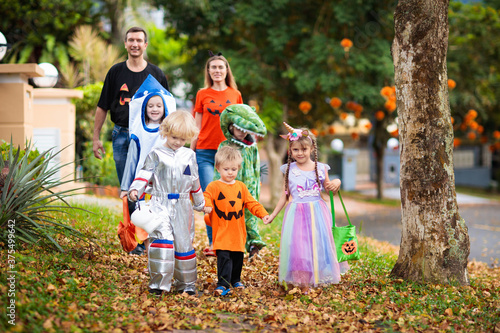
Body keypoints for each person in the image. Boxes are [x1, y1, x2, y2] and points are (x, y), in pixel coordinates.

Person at [128, 111, 205, 296]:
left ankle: (186, 284)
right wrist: (135, 190)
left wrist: (200, 203)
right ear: (165, 132)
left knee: (184, 243)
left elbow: (194, 181)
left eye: (183, 139)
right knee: (162, 240)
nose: (178, 142)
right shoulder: (156, 154)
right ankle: (158, 284)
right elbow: (145, 173)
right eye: (174, 137)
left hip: (183, 204)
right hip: (159, 203)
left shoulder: (189, 155)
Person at [265, 123, 348, 291]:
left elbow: (328, 185)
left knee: (317, 246)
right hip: (296, 215)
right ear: (290, 151)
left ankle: (313, 278)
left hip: (317, 214)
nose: (300, 153)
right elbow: (284, 195)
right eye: (295, 150)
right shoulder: (289, 169)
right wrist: (272, 215)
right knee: (299, 249)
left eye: (304, 149)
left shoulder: (321, 168)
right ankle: (303, 283)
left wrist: (337, 182)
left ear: (311, 149)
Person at [93, 26, 169, 188]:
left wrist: (168, 137)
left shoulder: (156, 74)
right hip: (121, 133)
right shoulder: (115, 72)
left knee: (147, 182)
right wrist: (95, 138)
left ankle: (146, 213)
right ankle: (129, 213)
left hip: (148, 135)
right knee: (126, 185)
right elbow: (102, 106)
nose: (135, 44)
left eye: (139, 40)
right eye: (131, 40)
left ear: (145, 44)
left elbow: (167, 108)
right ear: (125, 44)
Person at [191, 52, 243, 254]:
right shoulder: (202, 94)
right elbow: (197, 125)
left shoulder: (235, 95)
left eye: (221, 67)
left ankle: (229, 241)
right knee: (210, 198)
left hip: (228, 153)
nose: (217, 71)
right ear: (208, 71)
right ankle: (214, 244)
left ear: (226, 70)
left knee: (228, 197)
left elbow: (239, 126)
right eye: (213, 67)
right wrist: (191, 150)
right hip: (204, 151)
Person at [120, 74, 177, 255]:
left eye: (158, 106)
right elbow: (131, 160)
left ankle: (164, 252)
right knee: (145, 219)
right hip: (143, 184)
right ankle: (150, 254)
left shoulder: (170, 134)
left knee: (164, 219)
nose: (154, 109)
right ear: (144, 108)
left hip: (164, 184)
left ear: (165, 107)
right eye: (150, 106)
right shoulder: (138, 133)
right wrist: (125, 186)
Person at [203, 146, 270, 296]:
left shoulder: (241, 187)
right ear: (218, 168)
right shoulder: (214, 186)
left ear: (238, 168)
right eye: (226, 169)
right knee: (224, 258)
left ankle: (235, 279)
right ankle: (222, 284)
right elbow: (206, 196)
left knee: (237, 257)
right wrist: (207, 206)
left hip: (238, 231)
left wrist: (263, 214)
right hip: (221, 230)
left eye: (234, 169)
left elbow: (252, 203)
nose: (230, 172)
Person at [214, 104, 267, 259]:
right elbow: (217, 169)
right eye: (239, 129)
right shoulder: (225, 146)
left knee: (250, 215)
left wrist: (257, 185)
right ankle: (231, 247)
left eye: (245, 130)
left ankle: (254, 245)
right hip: (231, 189)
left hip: (250, 188)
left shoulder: (252, 147)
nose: (242, 133)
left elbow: (256, 167)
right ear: (230, 127)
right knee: (232, 217)